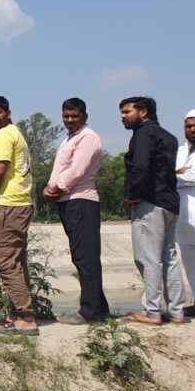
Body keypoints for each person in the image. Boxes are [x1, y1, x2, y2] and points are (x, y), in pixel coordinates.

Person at [43, 98, 110, 324]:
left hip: (81, 201)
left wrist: (54, 189)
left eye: (74, 116)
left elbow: (77, 170)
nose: (69, 120)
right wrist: (50, 189)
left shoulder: (88, 137)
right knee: (82, 255)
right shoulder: (69, 139)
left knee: (85, 256)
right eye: (66, 116)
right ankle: (100, 308)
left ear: (84, 117)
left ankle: (90, 312)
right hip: (69, 201)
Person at [120, 96, 185, 325]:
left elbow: (140, 166)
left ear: (144, 112)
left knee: (149, 258)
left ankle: (152, 312)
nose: (123, 116)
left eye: (127, 111)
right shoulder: (169, 137)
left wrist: (133, 194)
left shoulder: (143, 134)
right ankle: (176, 311)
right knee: (169, 257)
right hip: (170, 202)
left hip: (150, 203)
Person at [0, 96, 39, 336]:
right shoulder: (16, 133)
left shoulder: (4, 135)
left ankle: (26, 317)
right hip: (21, 203)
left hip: (8, 204)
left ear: (8, 113)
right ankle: (17, 314)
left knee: (5, 261)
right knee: (16, 261)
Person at [176, 109, 195, 317]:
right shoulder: (177, 151)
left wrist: (174, 176)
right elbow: (165, 175)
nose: (193, 129)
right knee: (189, 259)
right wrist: (178, 174)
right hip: (181, 215)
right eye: (189, 126)